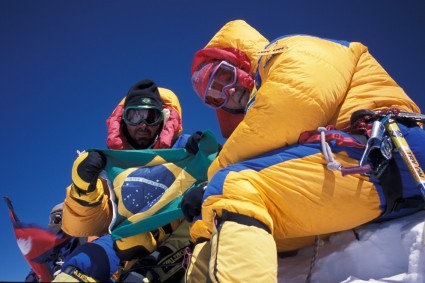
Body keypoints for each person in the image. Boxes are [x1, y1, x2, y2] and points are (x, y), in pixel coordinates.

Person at [182, 19, 425, 282]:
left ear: (241, 60)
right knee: (222, 220)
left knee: (230, 186)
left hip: (388, 150)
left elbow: (290, 107)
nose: (228, 93)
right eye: (215, 96)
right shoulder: (260, 96)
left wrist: (211, 180)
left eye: (223, 77)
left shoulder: (287, 51)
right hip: (368, 173)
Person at [53, 79, 208, 282]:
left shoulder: (185, 150)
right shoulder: (112, 167)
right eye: (134, 115)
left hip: (175, 240)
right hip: (122, 244)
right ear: (123, 120)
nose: (143, 124)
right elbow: (80, 228)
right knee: (79, 266)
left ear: (163, 119)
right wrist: (83, 189)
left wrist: (208, 163)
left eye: (151, 116)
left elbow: (225, 177)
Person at [25, 202, 88, 282]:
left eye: (55, 219)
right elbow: (34, 273)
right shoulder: (48, 250)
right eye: (51, 220)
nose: (51, 224)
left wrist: (72, 273)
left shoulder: (83, 239)